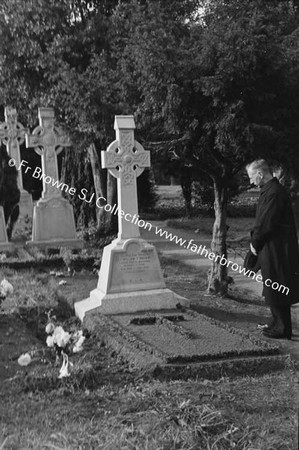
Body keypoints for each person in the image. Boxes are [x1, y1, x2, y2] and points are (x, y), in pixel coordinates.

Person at [246, 159, 299, 339]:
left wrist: (255, 243)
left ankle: (283, 328)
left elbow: (266, 222)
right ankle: (277, 323)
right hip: (273, 246)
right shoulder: (270, 190)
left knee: (277, 285)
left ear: (260, 174)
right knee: (272, 285)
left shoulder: (274, 192)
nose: (251, 181)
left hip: (277, 248)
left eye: (252, 177)